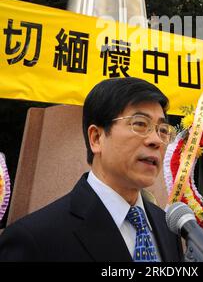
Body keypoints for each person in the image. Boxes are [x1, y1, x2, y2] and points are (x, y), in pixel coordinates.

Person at [0, 77, 183, 262]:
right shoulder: (34, 239)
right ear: (96, 138)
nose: (156, 140)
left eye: (162, 130)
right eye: (140, 124)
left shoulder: (167, 226)